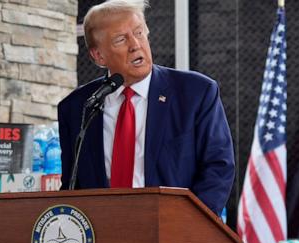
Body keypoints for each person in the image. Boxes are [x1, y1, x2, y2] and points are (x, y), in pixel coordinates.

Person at [58, 0, 235, 215]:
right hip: (103, 235)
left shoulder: (196, 92)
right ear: (99, 56)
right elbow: (71, 184)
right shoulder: (77, 107)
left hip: (173, 232)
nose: (135, 45)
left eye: (139, 33)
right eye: (121, 39)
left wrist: (189, 225)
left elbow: (218, 167)